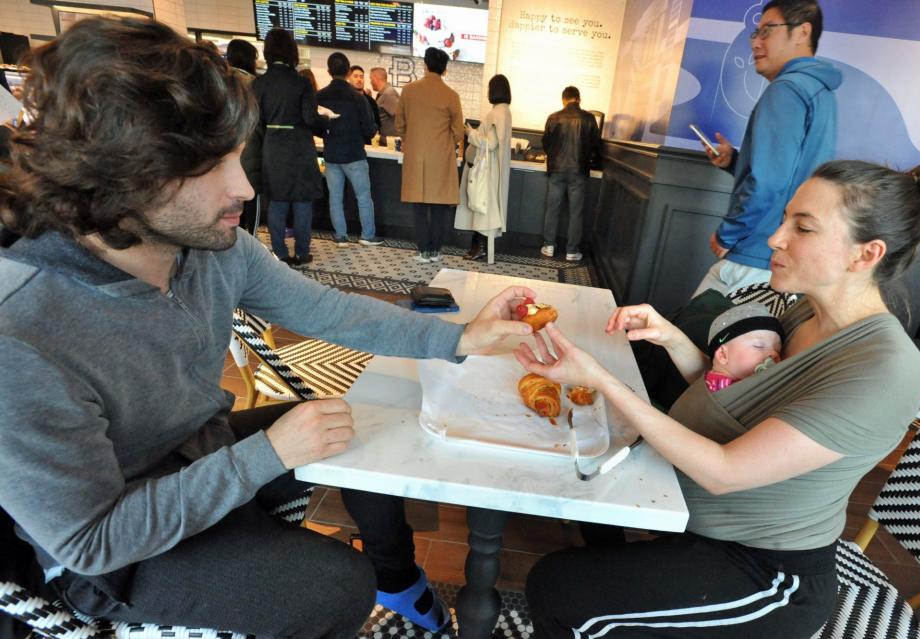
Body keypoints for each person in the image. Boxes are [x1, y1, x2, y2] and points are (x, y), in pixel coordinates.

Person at [0, 17, 537, 638]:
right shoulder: (22, 333)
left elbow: (329, 310)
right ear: (122, 180)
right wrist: (266, 456)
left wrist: (461, 339)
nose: (244, 186)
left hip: (193, 451)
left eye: (235, 156)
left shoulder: (210, 246)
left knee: (363, 426)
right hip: (110, 558)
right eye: (210, 167)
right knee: (336, 587)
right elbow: (91, 540)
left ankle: (398, 577)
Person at [515, 160, 920, 638]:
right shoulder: (806, 311)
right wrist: (672, 337)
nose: (775, 238)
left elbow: (725, 471)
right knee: (584, 503)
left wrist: (599, 378)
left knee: (558, 588)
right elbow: (739, 398)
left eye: (802, 227)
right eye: (786, 219)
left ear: (865, 255)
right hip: (699, 523)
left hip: (769, 575)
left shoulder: (884, 369)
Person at [693, 0, 841, 297]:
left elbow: (769, 180)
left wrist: (728, 233)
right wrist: (733, 161)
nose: (756, 43)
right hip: (783, 254)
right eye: (755, 34)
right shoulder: (819, 91)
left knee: (691, 337)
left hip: (755, 252)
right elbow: (792, 172)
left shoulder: (786, 90)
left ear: (802, 32)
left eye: (767, 31)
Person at [253, 28, 325, 267]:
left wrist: (272, 134)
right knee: (302, 202)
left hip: (272, 147)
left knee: (278, 201)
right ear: (291, 50)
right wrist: (327, 122)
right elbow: (311, 118)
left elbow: (256, 122)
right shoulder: (301, 83)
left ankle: (281, 254)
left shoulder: (259, 83)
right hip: (300, 146)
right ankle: (302, 253)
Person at [396, 47, 464, 264]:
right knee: (438, 206)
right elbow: (459, 131)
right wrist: (446, 144)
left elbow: (400, 124)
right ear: (445, 70)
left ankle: (423, 250)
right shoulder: (451, 96)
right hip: (442, 157)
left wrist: (411, 140)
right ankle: (435, 250)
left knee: (419, 205)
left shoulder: (408, 90)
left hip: (416, 156)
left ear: (425, 65)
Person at [316, 53, 383, 247]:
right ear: (348, 72)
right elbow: (369, 129)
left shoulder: (319, 96)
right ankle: (367, 235)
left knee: (335, 198)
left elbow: (314, 123)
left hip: (331, 154)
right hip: (354, 154)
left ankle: (340, 236)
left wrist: (326, 134)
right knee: (363, 197)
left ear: (329, 71)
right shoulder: (357, 98)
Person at [454, 74, 512, 263]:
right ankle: (481, 247)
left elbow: (491, 143)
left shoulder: (496, 113)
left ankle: (478, 248)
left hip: (486, 171)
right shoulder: (504, 111)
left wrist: (471, 133)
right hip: (491, 170)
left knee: (481, 207)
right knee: (485, 207)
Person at [540, 85, 600, 263]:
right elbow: (595, 145)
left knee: (552, 209)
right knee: (576, 212)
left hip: (557, 170)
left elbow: (546, 143)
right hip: (578, 171)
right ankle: (572, 251)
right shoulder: (589, 118)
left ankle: (549, 246)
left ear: (563, 100)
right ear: (579, 99)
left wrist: (554, 156)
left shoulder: (553, 117)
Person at [702, 303, 783, 393]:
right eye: (759, 346)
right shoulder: (719, 389)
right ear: (723, 355)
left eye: (778, 350)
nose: (774, 354)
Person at [225, 39, 261, 235]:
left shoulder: (220, 80)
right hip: (250, 149)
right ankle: (251, 240)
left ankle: (232, 237)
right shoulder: (255, 84)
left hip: (224, 150)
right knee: (251, 197)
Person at [348, 64, 381, 143]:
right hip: (348, 143)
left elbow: (377, 123)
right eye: (355, 76)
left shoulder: (371, 101)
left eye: (361, 77)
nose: (359, 79)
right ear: (349, 78)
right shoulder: (345, 100)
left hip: (367, 144)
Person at [370, 66, 400, 139]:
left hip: (390, 144)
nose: (370, 82)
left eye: (371, 79)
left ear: (375, 78)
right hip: (386, 141)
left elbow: (400, 116)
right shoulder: (384, 94)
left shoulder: (389, 94)